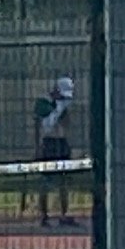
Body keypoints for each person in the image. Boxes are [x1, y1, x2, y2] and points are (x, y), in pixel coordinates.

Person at [34, 76, 77, 228]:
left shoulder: (65, 104)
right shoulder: (43, 103)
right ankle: (44, 215)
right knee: (45, 182)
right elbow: (44, 125)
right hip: (48, 143)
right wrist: (57, 109)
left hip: (61, 143)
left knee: (64, 181)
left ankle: (64, 214)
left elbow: (67, 125)